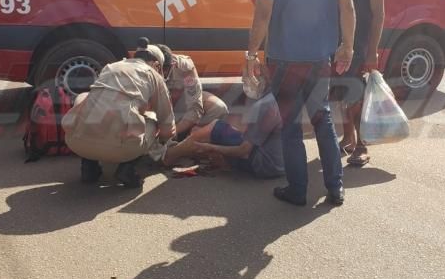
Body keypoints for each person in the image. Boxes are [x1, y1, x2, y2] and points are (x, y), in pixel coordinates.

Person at [246, 0, 357, 207]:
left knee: (291, 126)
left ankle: (297, 190)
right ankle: (335, 189)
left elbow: (263, 13)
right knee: (323, 119)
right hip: (320, 58)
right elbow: (347, 6)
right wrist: (347, 46)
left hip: (284, 60)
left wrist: (251, 54)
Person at [62, 38, 176, 189]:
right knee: (154, 119)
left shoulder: (110, 67)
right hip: (122, 151)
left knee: (85, 98)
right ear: (156, 64)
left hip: (75, 142)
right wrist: (162, 144)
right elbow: (168, 128)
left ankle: (89, 165)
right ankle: (127, 168)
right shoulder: (153, 75)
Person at [325, 0, 389, 167]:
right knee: (342, 92)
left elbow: (379, 15)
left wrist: (372, 51)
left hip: (360, 44)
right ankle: (348, 138)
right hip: (341, 41)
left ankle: (362, 145)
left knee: (356, 94)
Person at [163, 93, 284, 180]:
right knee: (204, 130)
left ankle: (168, 155)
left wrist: (211, 147)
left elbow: (243, 151)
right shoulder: (288, 98)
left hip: (265, 164)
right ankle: (194, 150)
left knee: (215, 127)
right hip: (282, 164)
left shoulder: (266, 105)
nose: (244, 80)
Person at [156, 44, 229, 139]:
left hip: (179, 102)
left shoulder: (185, 68)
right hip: (155, 108)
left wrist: (174, 132)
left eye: (165, 70)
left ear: (173, 64)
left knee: (219, 108)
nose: (161, 74)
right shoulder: (139, 69)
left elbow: (195, 107)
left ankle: (191, 139)